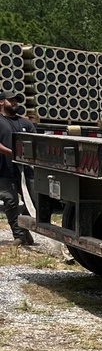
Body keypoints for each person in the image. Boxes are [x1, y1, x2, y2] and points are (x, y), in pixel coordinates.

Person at [0, 91, 35, 246]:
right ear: (1, 102)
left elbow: (36, 142)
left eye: (16, 100)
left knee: (36, 202)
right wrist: (13, 154)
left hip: (26, 171)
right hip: (4, 170)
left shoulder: (25, 123)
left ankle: (24, 226)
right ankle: (19, 236)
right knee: (11, 200)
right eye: (11, 100)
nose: (15, 102)